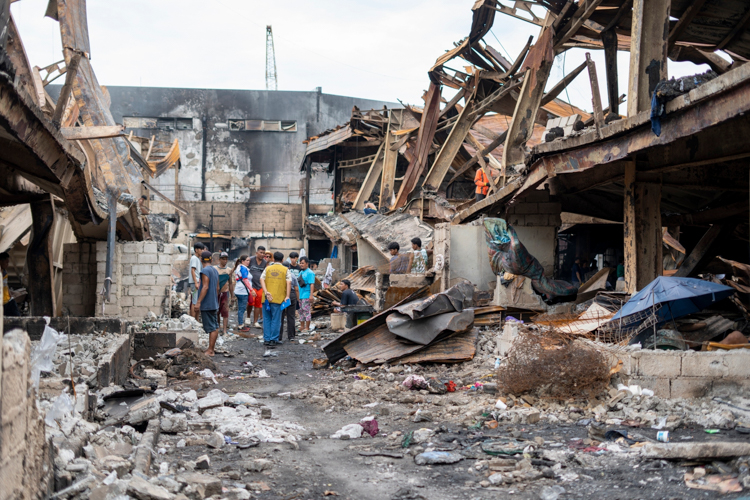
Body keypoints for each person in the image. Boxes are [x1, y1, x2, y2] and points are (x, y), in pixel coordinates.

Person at [260, 252, 292, 347]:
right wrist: (287, 296)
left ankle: (266, 339)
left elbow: (261, 279)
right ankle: (273, 339)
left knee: (266, 319)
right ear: (282, 260)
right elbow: (289, 283)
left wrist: (266, 292)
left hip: (266, 299)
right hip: (278, 298)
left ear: (273, 259)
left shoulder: (268, 268)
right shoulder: (285, 270)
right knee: (276, 319)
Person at [195, 250, 220, 357]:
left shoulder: (205, 271)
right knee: (214, 326)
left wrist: (199, 302)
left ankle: (210, 350)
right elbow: (218, 287)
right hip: (213, 302)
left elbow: (205, 286)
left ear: (201, 260)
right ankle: (211, 348)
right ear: (211, 259)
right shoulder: (214, 270)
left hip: (207, 304)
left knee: (211, 327)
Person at [279, 252, 301, 342]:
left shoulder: (279, 275)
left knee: (280, 316)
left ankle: (279, 336)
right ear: (289, 267)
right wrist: (298, 299)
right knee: (291, 316)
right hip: (291, 295)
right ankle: (291, 336)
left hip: (281, 295)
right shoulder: (292, 275)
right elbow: (296, 289)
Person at [232, 255, 256, 332]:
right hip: (243, 291)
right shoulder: (243, 268)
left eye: (249, 260)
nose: (248, 262)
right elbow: (245, 280)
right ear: (242, 261)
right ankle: (241, 325)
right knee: (242, 309)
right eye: (247, 260)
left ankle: (240, 324)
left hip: (239, 290)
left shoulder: (239, 267)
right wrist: (251, 290)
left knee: (241, 308)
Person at [247, 246, 268, 328]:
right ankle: (248, 317)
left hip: (260, 286)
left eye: (263, 253)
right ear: (257, 253)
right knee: (251, 302)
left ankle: (255, 321)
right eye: (261, 252)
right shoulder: (251, 260)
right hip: (251, 286)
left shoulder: (264, 262)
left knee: (258, 305)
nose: (262, 254)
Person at [298, 256, 316, 333]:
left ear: (307, 264)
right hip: (300, 295)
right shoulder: (301, 272)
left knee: (306, 311)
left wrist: (311, 295)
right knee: (301, 311)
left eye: (303, 263)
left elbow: (312, 284)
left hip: (306, 294)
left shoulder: (310, 273)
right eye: (300, 263)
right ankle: (302, 326)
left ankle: (307, 327)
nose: (301, 264)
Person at [216, 252, 232, 335]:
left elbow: (231, 283)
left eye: (226, 259)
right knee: (217, 311)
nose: (225, 260)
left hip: (225, 293)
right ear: (219, 259)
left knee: (225, 312)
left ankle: (225, 330)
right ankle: (218, 327)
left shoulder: (228, 270)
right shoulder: (215, 269)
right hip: (217, 293)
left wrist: (232, 296)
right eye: (223, 259)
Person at [188, 242, 205, 321]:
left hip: (198, 282)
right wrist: (195, 282)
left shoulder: (197, 259)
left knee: (197, 302)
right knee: (194, 302)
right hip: (195, 283)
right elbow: (193, 270)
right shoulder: (194, 258)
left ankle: (196, 320)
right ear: (196, 250)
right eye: (200, 249)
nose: (202, 250)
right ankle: (193, 320)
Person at [1, 252, 20, 317]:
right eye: (6, 262)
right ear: (1, 261)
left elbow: (6, 284)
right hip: (1, 302)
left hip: (8, 301)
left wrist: (10, 294)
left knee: (17, 319)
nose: (7, 264)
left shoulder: (4, 271)